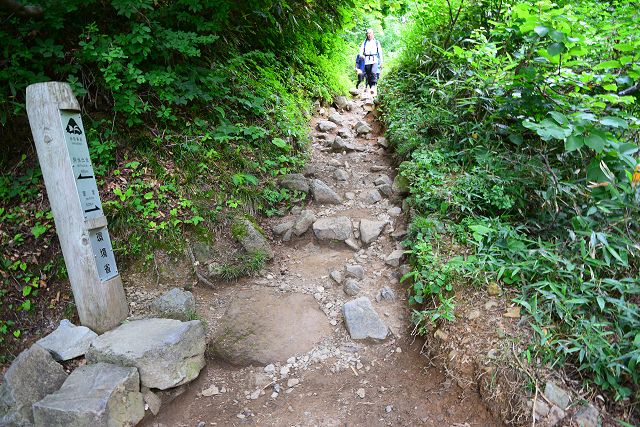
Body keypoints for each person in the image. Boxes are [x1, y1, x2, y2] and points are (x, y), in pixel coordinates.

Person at [358, 28, 382, 94]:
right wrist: (361, 55)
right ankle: (372, 88)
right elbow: (360, 51)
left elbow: (380, 53)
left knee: (373, 72)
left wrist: (381, 62)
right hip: (367, 61)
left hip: (375, 60)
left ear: (373, 34)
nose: (369, 35)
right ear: (366, 34)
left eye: (370, 33)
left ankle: (373, 86)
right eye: (368, 33)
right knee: (368, 76)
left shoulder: (376, 42)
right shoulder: (364, 43)